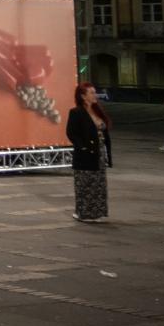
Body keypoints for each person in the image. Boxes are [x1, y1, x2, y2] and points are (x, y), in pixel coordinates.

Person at [67, 83, 110, 223]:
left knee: (98, 183)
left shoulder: (97, 111)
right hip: (86, 154)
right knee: (85, 184)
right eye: (91, 93)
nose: (94, 95)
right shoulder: (76, 112)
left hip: (100, 152)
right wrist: (83, 147)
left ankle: (97, 212)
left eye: (94, 92)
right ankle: (83, 213)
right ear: (83, 96)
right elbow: (71, 133)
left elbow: (104, 131)